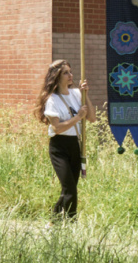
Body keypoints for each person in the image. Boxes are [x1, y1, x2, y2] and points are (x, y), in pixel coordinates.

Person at [33, 59, 96, 221]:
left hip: (75, 144)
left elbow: (92, 118)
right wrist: (77, 118)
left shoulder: (76, 94)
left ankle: (54, 222)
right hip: (59, 147)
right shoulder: (52, 100)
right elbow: (57, 128)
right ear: (57, 77)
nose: (70, 75)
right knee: (70, 190)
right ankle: (71, 223)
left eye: (70, 71)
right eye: (65, 73)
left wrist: (85, 95)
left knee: (70, 189)